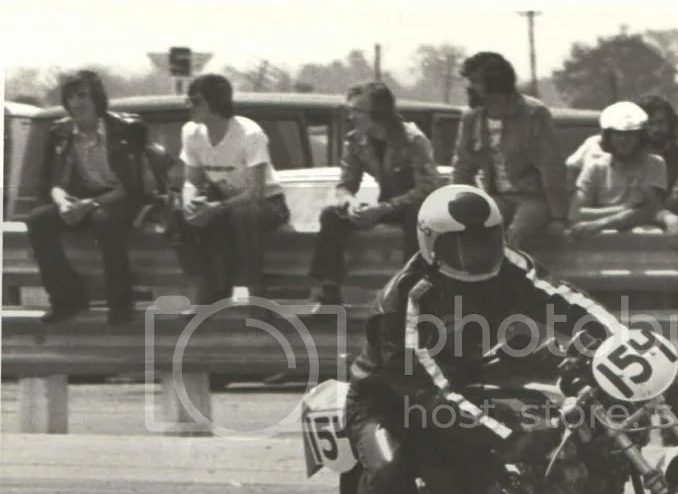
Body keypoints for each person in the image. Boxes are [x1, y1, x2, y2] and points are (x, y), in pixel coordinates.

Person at [343, 184, 626, 494]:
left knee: (570, 411)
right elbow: (426, 388)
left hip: (472, 373)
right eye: (461, 245)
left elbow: (567, 300)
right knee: (390, 471)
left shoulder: (509, 265)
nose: (475, 254)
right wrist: (505, 434)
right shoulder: (406, 300)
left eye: (483, 240)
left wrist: (618, 342)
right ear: (431, 244)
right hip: (392, 398)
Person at [26, 70, 149, 325]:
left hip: (119, 198)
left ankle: (120, 303)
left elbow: (132, 187)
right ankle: (67, 297)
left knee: (104, 221)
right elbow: (53, 182)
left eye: (83, 96)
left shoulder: (125, 130)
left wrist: (90, 205)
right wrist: (62, 203)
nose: (76, 103)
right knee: (38, 220)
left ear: (97, 98)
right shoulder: (60, 132)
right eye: (70, 97)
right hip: (81, 198)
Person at [309, 81, 441, 306]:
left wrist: (381, 210)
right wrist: (350, 203)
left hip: (415, 206)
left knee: (417, 217)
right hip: (385, 206)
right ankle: (328, 291)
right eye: (349, 110)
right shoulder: (355, 140)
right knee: (331, 215)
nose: (350, 117)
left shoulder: (413, 139)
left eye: (357, 111)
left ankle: (413, 290)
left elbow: (427, 188)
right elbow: (345, 184)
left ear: (379, 113)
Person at [175, 74, 291, 306]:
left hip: (266, 203)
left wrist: (215, 209)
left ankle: (256, 290)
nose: (190, 106)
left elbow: (255, 192)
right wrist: (191, 204)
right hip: (224, 200)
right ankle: (202, 284)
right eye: (188, 100)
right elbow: (192, 181)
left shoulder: (249, 134)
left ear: (215, 103)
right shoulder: (191, 132)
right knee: (177, 213)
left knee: (242, 214)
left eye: (196, 101)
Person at [451, 52, 568, 250]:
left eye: (475, 81)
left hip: (533, 198)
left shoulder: (533, 113)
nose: (469, 87)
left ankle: (515, 278)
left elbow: (551, 167)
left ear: (495, 83)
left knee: (517, 234)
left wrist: (559, 217)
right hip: (495, 196)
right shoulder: (471, 118)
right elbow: (462, 167)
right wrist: (462, 207)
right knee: (477, 231)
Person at [568, 101, 669, 237]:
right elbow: (576, 213)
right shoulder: (595, 167)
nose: (624, 140)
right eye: (618, 134)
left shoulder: (655, 164)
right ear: (608, 137)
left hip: (644, 242)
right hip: (599, 243)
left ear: (641, 136)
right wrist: (625, 208)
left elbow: (646, 212)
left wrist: (598, 224)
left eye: (631, 134)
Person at [566, 95, 678, 190]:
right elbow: (571, 171)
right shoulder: (595, 145)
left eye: (660, 123)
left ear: (671, 124)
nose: (656, 129)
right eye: (650, 124)